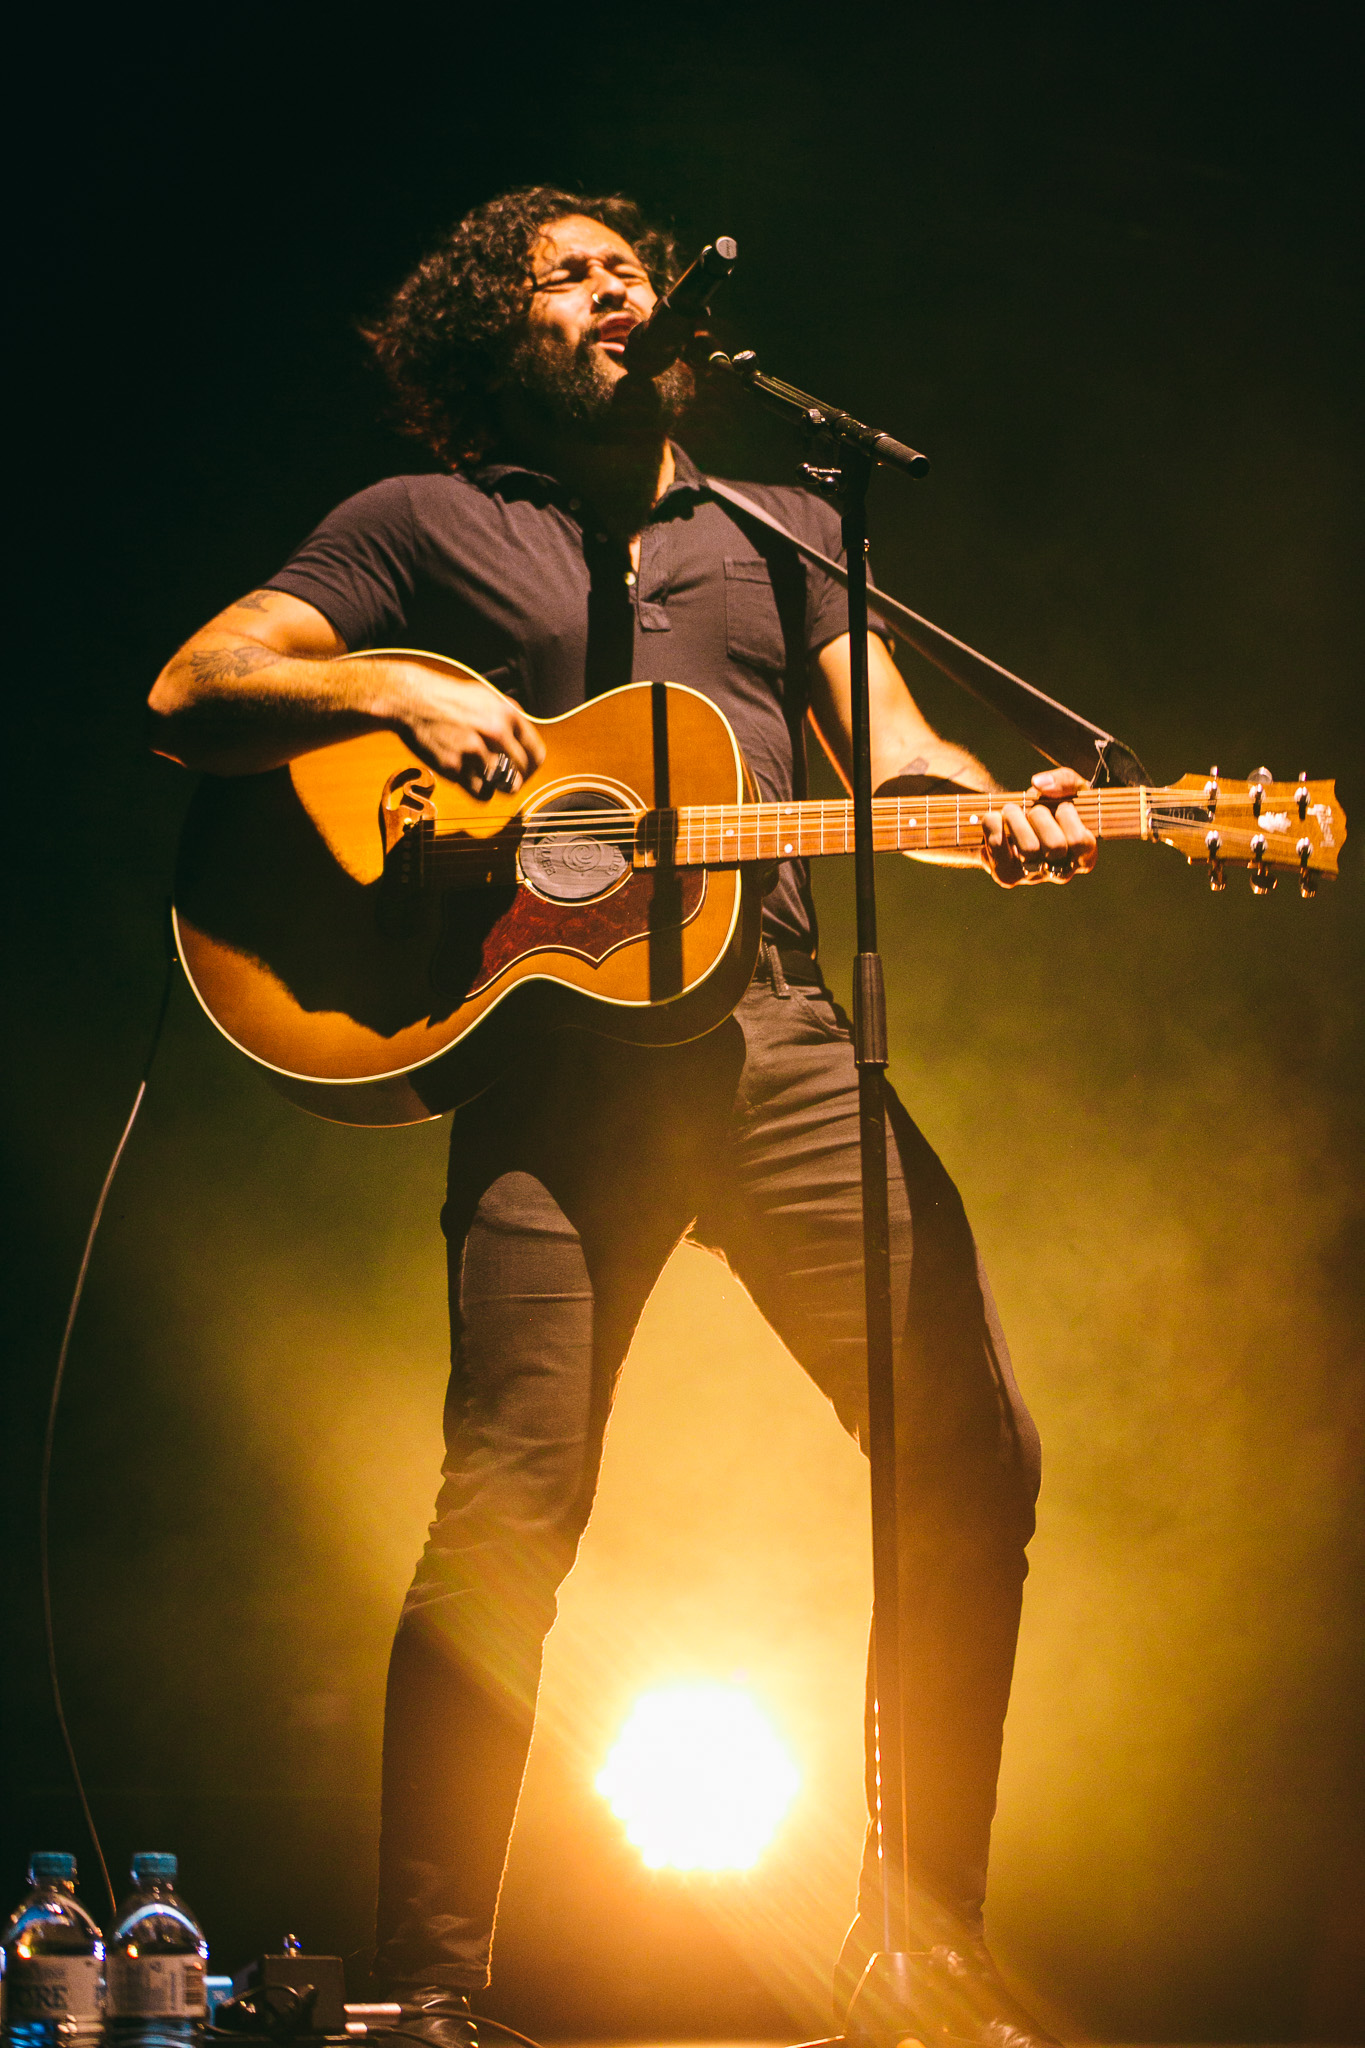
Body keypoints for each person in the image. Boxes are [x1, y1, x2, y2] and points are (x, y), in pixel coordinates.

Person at [148, 185, 1097, 2048]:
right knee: (507, 1505)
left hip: (775, 1040)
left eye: (626, 271)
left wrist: (991, 807)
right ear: (492, 333)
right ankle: (426, 1986)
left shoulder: (785, 527)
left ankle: (922, 1951)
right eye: (568, 275)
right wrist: (388, 676)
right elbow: (198, 689)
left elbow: (889, 748)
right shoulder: (414, 525)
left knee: (970, 1448)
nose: (615, 292)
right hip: (550, 1072)